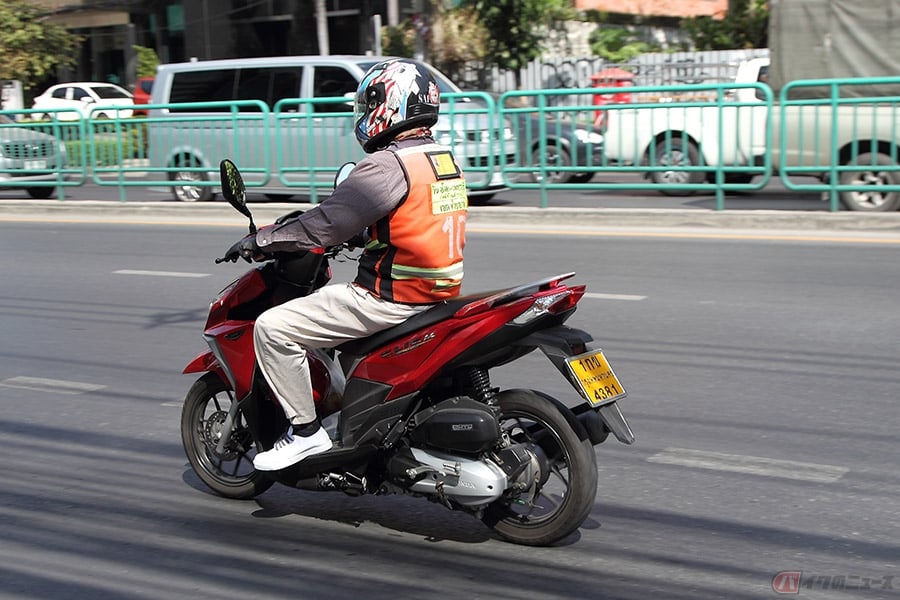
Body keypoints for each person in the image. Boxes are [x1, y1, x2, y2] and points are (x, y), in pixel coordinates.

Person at [240, 59, 468, 471]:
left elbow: (326, 224)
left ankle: (306, 434)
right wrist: (367, 233)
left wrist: (263, 240)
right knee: (324, 308)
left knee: (272, 327)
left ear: (390, 104)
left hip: (387, 298)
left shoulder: (388, 165)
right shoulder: (440, 158)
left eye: (370, 103)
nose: (364, 115)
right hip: (438, 293)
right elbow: (414, 218)